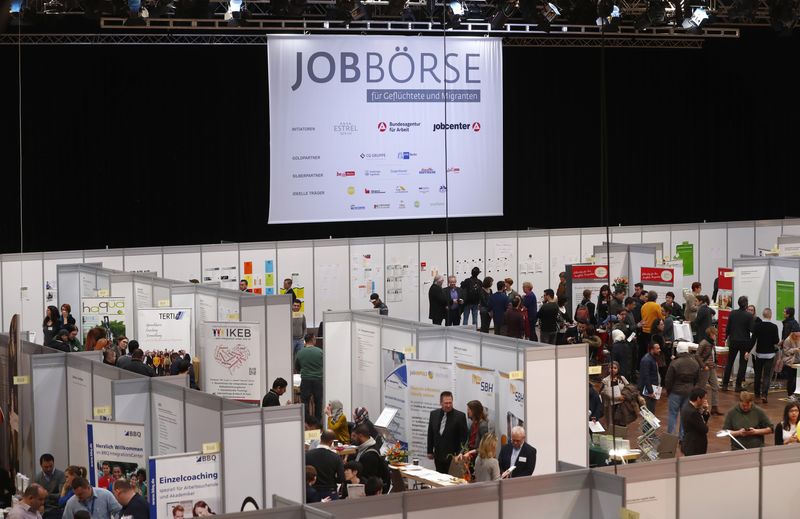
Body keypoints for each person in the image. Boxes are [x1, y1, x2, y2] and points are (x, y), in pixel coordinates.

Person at [664, 342, 700, 438]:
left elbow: (668, 379)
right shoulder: (694, 363)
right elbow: (697, 378)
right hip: (689, 392)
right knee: (685, 415)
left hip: (675, 392)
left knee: (673, 414)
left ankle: (671, 436)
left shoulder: (675, 363)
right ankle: (682, 436)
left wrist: (668, 391)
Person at [426, 391, 468, 474]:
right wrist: (429, 451)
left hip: (453, 458)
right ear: (441, 403)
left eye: (450, 403)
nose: (448, 405)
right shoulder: (434, 414)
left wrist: (461, 454)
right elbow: (430, 433)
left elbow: (464, 438)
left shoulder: (460, 416)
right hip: (438, 456)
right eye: (446, 403)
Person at [723, 296, 755, 392]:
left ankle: (725, 384)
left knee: (729, 363)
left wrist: (726, 337)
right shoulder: (749, 316)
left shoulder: (732, 313)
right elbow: (752, 329)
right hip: (744, 341)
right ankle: (738, 385)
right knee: (743, 364)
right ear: (746, 304)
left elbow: (728, 328)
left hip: (733, 340)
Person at [748, 308, 780, 403]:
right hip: (770, 354)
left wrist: (748, 351)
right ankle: (764, 395)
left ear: (763, 315)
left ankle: (756, 393)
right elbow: (776, 341)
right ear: (770, 315)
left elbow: (753, 340)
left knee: (757, 374)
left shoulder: (757, 326)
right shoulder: (774, 327)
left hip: (759, 354)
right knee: (766, 375)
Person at [305, 431, 344, 500]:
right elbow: (341, 478)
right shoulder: (336, 457)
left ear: (320, 438)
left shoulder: (308, 455)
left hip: (311, 492)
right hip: (330, 492)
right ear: (331, 442)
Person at [296, 331, 323, 422]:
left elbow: (297, 367)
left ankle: (306, 422)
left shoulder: (300, 353)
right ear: (313, 340)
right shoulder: (320, 352)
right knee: (318, 402)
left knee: (305, 403)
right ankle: (318, 422)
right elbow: (324, 365)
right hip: (318, 380)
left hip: (306, 380)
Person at [351, 426, 389, 491]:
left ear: (360, 436)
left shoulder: (370, 455)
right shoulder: (364, 448)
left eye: (354, 436)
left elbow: (367, 478)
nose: (352, 438)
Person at [696, 327, 723, 416]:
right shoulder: (703, 343)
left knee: (715, 387)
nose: (716, 336)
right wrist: (703, 366)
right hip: (705, 369)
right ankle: (699, 408)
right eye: (715, 334)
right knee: (702, 389)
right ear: (710, 334)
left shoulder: (712, 343)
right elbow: (697, 355)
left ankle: (714, 407)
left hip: (712, 368)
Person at [680, 387, 710, 456]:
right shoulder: (693, 412)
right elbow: (704, 429)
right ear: (698, 399)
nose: (705, 400)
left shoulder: (687, 406)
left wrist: (705, 410)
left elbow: (699, 422)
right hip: (694, 446)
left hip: (689, 443)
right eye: (704, 398)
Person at [638, 340, 661, 413]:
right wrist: (650, 391)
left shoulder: (652, 358)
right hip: (648, 391)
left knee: (651, 411)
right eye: (657, 348)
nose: (659, 350)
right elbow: (645, 376)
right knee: (649, 413)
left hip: (653, 389)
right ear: (652, 349)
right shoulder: (647, 360)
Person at [778, 327, 800, 399]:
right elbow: (786, 352)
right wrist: (795, 350)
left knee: (797, 378)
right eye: (796, 336)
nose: (797, 337)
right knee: (791, 378)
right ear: (793, 333)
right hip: (790, 361)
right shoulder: (787, 340)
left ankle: (796, 392)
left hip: (798, 360)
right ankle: (790, 393)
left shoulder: (799, 338)